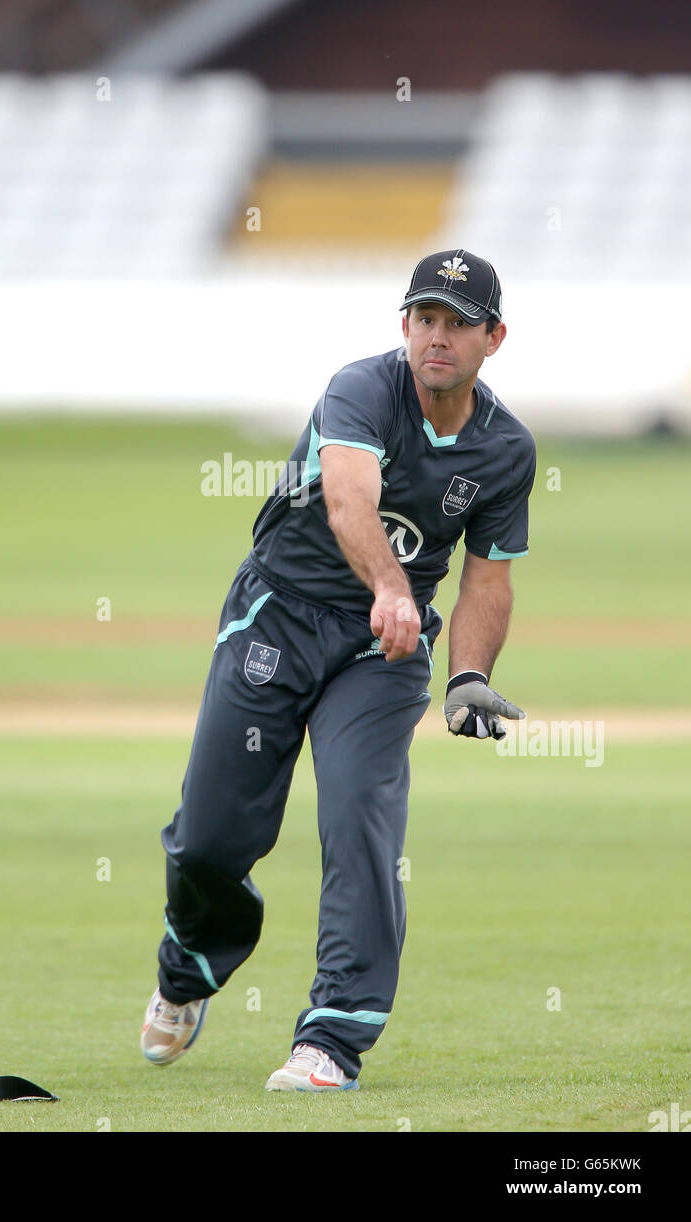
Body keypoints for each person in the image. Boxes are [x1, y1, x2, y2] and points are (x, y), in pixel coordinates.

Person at [140, 249, 536, 1091]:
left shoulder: (505, 450)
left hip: (379, 654)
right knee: (212, 834)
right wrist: (390, 586)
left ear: (492, 338)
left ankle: (333, 1038)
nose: (438, 337)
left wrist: (467, 674)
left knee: (361, 819)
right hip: (279, 615)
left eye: (458, 323)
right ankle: (189, 967)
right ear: (404, 327)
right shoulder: (359, 388)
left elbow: (489, 578)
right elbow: (348, 498)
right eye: (424, 319)